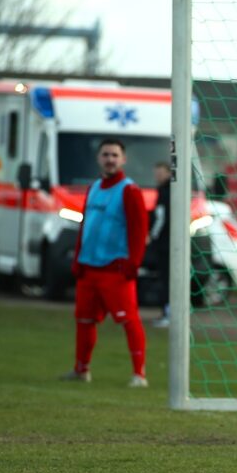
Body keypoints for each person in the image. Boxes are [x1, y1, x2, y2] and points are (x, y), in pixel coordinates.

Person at [60, 138, 149, 387]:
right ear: (99, 158)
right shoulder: (94, 188)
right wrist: (78, 259)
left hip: (115, 270)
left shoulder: (130, 191)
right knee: (84, 320)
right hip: (89, 268)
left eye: (114, 155)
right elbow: (85, 226)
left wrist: (133, 264)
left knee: (128, 320)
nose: (110, 159)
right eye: (106, 155)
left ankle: (139, 374)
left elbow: (139, 230)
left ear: (123, 160)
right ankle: (81, 370)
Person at [147, 161, 171, 328]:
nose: (157, 176)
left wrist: (152, 236)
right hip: (169, 242)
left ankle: (168, 314)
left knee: (166, 279)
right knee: (168, 279)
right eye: (156, 173)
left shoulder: (165, 192)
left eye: (161, 173)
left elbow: (161, 218)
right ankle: (168, 313)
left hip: (165, 244)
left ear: (169, 173)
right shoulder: (166, 190)